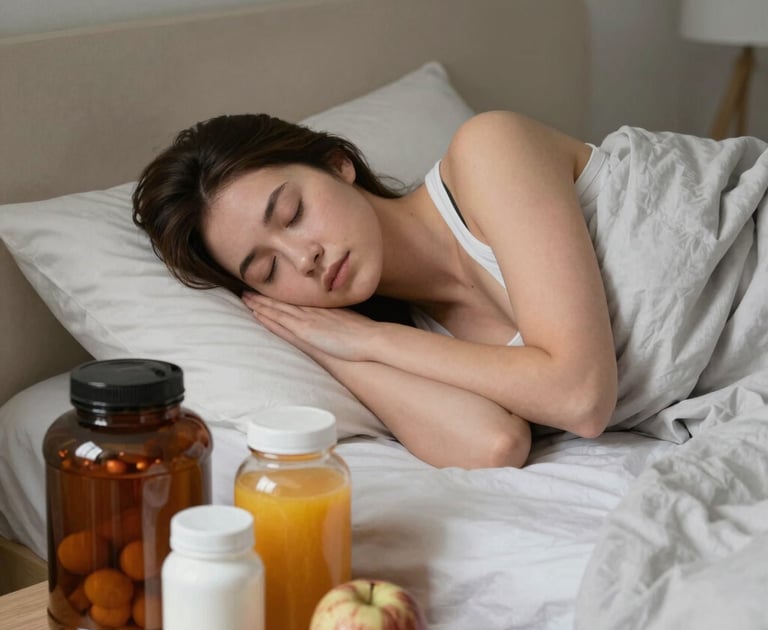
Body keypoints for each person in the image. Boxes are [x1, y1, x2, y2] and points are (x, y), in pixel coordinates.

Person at [129, 112, 635, 469]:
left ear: (337, 164)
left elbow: (581, 397)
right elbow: (494, 445)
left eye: (293, 214)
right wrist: (329, 346)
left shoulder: (489, 150)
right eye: (267, 269)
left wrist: (374, 342)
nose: (304, 259)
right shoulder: (419, 341)